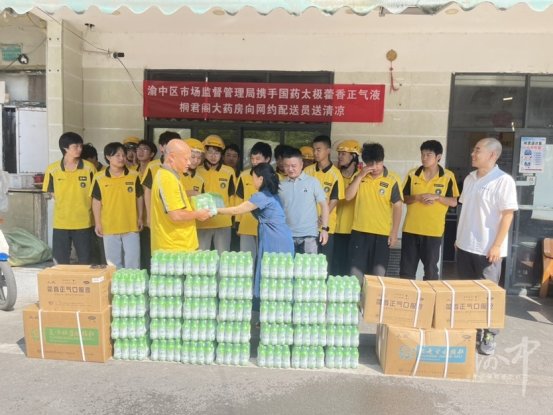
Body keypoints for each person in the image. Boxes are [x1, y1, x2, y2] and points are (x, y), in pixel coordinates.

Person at [455, 137, 518, 356]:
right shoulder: (470, 178)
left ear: (493, 155)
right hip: (465, 245)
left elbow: (508, 215)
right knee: (467, 294)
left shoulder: (503, 181)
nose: (473, 154)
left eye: (477, 150)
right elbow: (466, 210)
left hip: (487, 249)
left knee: (488, 295)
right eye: (474, 150)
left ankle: (489, 334)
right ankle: (471, 330)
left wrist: (497, 245)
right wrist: (458, 238)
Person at [218, 163, 294, 308]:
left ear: (260, 179)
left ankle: (272, 311)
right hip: (278, 235)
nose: (252, 181)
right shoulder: (272, 194)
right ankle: (274, 310)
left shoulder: (262, 196)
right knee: (277, 274)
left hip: (274, 238)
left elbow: (237, 210)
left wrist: (215, 210)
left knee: (272, 272)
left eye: (253, 177)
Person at [400, 140, 459, 280]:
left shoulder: (448, 176)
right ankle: (408, 294)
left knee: (431, 272)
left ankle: (429, 295)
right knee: (406, 271)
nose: (424, 158)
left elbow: (453, 202)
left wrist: (437, 197)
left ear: (438, 157)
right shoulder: (413, 174)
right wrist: (417, 197)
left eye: (428, 155)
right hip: (411, 230)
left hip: (433, 232)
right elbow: (404, 198)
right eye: (422, 154)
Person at [346, 142, 403, 282]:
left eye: (379, 163)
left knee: (378, 278)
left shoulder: (392, 179)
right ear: (365, 163)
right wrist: (360, 176)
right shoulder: (358, 177)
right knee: (355, 277)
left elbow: (397, 206)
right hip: (359, 232)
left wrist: (394, 232)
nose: (375, 167)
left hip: (382, 234)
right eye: (371, 164)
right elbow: (348, 197)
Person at [42, 132, 96, 264]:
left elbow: (96, 194)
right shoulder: (52, 169)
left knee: (86, 261)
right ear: (65, 148)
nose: (79, 149)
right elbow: (51, 192)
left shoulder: (89, 168)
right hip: (61, 223)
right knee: (60, 262)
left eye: (80, 146)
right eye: (75, 146)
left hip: (84, 222)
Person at [150, 140, 211, 252]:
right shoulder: (168, 179)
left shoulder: (170, 176)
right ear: (172, 157)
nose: (189, 163)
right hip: (175, 247)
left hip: (178, 245)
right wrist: (198, 214)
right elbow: (176, 215)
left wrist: (190, 194)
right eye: (186, 159)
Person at [91, 142, 143, 269]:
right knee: (113, 264)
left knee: (133, 261)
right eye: (117, 155)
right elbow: (96, 201)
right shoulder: (99, 177)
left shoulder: (134, 175)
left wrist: (140, 217)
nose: (122, 158)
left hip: (131, 225)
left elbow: (139, 197)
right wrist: (97, 223)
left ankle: (132, 282)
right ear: (108, 157)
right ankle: (115, 282)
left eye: (123, 155)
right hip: (109, 226)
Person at [304, 135, 345, 272]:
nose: (315, 153)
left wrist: (322, 218)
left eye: (318, 149)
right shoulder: (307, 171)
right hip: (307, 227)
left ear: (328, 151)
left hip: (326, 228)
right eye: (314, 149)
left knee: (323, 265)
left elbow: (334, 199)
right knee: (307, 265)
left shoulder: (335, 174)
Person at [279, 147, 329, 254]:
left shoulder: (312, 182)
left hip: (309, 236)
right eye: (287, 166)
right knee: (287, 264)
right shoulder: (280, 185)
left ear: (301, 165)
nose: (290, 169)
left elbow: (324, 205)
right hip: (287, 235)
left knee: (308, 264)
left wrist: (324, 229)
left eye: (294, 166)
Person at [197, 135, 236, 254]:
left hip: (223, 222)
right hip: (202, 221)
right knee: (201, 258)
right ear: (204, 153)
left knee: (223, 257)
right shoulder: (197, 171)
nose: (213, 156)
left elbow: (232, 196)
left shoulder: (229, 171)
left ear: (221, 154)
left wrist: (232, 217)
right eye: (210, 152)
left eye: (217, 153)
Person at [235, 142, 273, 259]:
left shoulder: (276, 177)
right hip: (246, 225)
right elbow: (239, 199)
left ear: (267, 159)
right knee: (246, 261)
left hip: (268, 227)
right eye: (252, 159)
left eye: (258, 158)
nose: (254, 162)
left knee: (265, 261)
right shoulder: (244, 175)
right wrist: (238, 222)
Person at [333, 139, 361, 276]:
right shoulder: (335, 174)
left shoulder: (362, 177)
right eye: (339, 154)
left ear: (354, 156)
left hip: (353, 230)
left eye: (343, 154)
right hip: (334, 228)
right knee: (334, 266)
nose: (339, 157)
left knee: (349, 268)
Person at [141, 131, 181, 226]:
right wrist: (149, 215)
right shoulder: (153, 166)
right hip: (158, 215)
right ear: (161, 147)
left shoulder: (183, 165)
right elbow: (148, 192)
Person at [136, 139, 157, 271]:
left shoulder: (155, 170)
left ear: (152, 154)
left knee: (149, 250)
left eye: (145, 149)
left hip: (150, 218)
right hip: (135, 218)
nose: (140, 152)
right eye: (139, 149)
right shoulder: (131, 171)